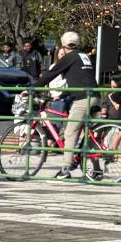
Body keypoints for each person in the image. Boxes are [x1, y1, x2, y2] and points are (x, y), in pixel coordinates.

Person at [35, 30, 98, 179]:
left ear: (63, 45)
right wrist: (62, 95)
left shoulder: (70, 56)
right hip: (95, 96)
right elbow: (80, 79)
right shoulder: (83, 56)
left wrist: (33, 88)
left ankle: (65, 169)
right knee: (87, 134)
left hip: (83, 99)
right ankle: (96, 169)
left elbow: (51, 73)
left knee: (70, 132)